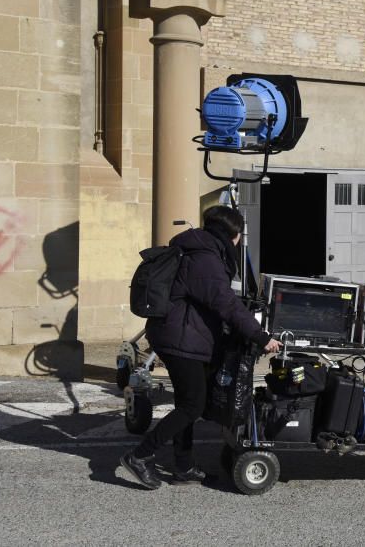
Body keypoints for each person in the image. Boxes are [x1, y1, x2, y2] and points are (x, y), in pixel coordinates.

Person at [120, 206, 282, 489]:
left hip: (180, 336)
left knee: (187, 403)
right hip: (181, 339)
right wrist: (261, 337)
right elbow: (225, 303)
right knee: (193, 405)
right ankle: (140, 455)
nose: (238, 241)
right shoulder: (205, 258)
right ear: (232, 234)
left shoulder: (198, 249)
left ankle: (183, 465)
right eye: (239, 235)